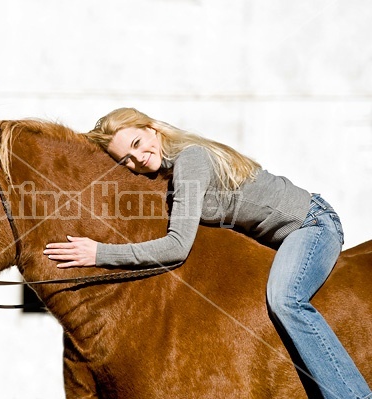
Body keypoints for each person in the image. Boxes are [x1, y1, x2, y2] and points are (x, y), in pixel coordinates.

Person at [43, 107, 371, 399]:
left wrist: (99, 253)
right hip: (284, 238)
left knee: (285, 299)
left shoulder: (190, 160)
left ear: (152, 130)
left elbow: (176, 246)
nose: (137, 158)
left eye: (136, 144)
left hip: (311, 224)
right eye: (126, 159)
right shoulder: (170, 175)